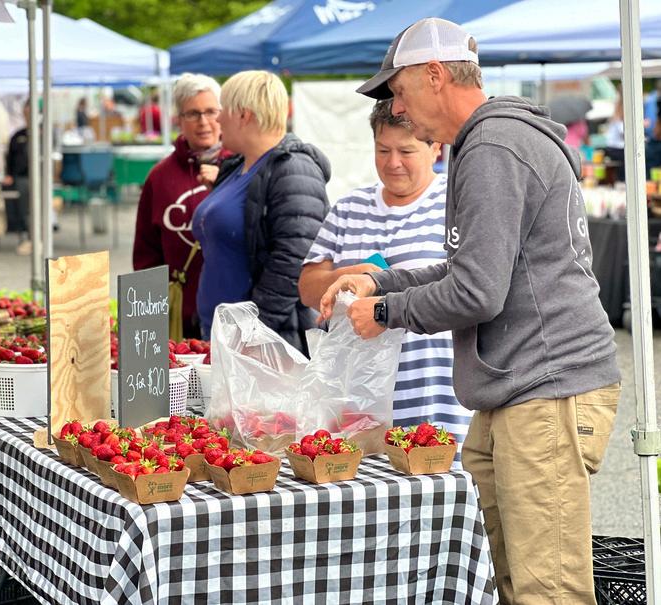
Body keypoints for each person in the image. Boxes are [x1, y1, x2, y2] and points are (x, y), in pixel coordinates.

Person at [318, 18, 621, 605]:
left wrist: (386, 311)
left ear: (435, 75)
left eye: (398, 90)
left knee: (547, 590)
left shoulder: (492, 145)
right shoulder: (488, 141)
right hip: (521, 388)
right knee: (500, 577)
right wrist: (380, 280)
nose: (396, 108)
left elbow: (477, 292)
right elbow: (470, 271)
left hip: (545, 388)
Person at [298, 99, 473, 450]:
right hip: (357, 398)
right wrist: (354, 274)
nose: (393, 163)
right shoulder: (348, 209)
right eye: (382, 150)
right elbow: (306, 288)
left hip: (437, 391)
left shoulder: (457, 204)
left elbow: (471, 287)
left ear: (435, 148)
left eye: (406, 151)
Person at [192, 70, 330, 354]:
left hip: (260, 344)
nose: (218, 119)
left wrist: (254, 332)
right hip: (223, 334)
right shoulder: (236, 166)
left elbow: (293, 259)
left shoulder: (293, 168)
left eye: (222, 110)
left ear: (244, 115)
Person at [133, 73, 232, 340]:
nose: (203, 122)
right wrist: (148, 320)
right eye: (193, 113)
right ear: (179, 119)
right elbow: (146, 254)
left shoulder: (243, 169)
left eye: (211, 111)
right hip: (179, 318)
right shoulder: (159, 177)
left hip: (233, 315)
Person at [4, 100, 32, 255]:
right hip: (21, 178)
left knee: (37, 209)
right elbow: (9, 158)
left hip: (40, 178)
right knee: (23, 208)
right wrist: (9, 174)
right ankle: (26, 236)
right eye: (26, 112)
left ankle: (36, 237)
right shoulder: (17, 136)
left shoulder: (44, 134)